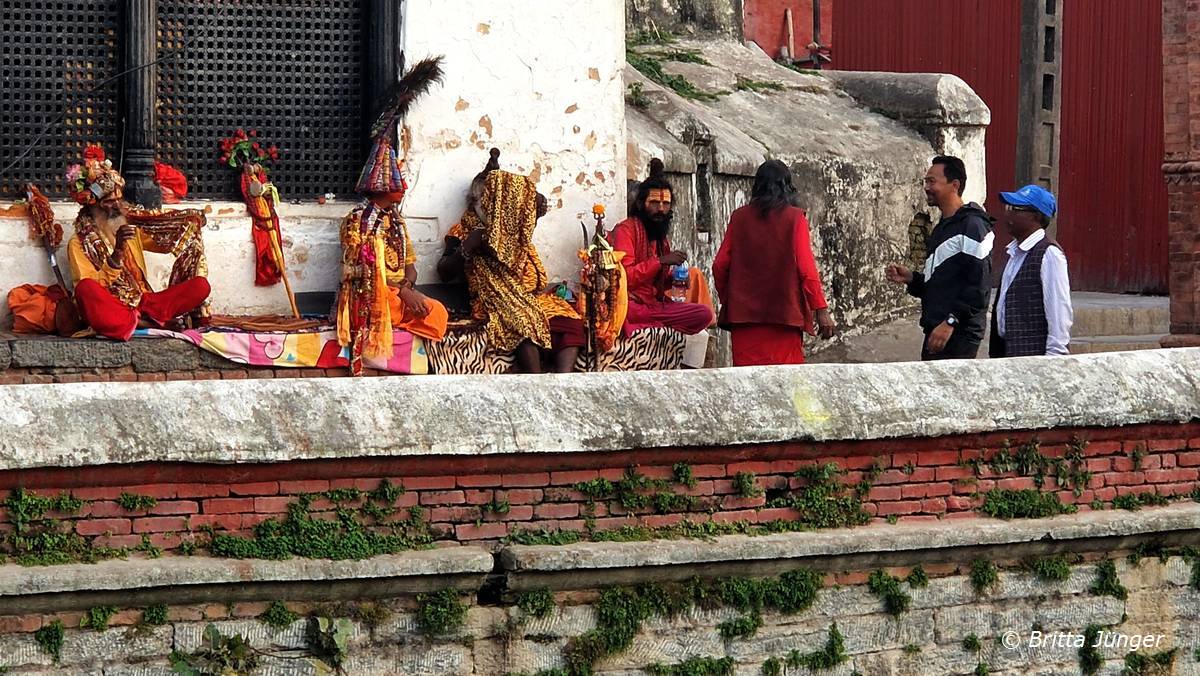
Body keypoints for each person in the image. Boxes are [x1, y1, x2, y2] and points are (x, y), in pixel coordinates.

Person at [336, 57, 448, 376]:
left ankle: (398, 325)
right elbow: (362, 270)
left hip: (398, 294)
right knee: (383, 308)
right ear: (382, 186)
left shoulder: (396, 222)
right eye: (398, 183)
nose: (404, 187)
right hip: (370, 295)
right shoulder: (358, 221)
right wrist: (402, 294)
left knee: (437, 312)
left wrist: (409, 288)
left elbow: (410, 264)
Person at [439, 150, 585, 373]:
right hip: (495, 300)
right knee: (522, 320)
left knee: (569, 320)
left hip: (530, 297)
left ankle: (564, 383)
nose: (497, 207)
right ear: (477, 202)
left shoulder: (512, 228)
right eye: (492, 201)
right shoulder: (463, 231)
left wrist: (533, 207)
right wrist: (468, 246)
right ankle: (535, 382)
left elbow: (534, 204)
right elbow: (444, 272)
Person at [65, 144, 210, 341]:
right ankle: (144, 323)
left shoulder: (128, 225)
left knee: (200, 286)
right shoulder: (79, 242)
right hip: (115, 304)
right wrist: (117, 253)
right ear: (94, 206)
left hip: (146, 302)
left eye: (119, 199)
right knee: (85, 289)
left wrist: (185, 224)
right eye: (109, 202)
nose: (117, 206)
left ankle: (147, 318)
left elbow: (162, 243)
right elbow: (94, 285)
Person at [713, 160, 835, 365]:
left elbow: (720, 265)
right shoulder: (795, 219)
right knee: (785, 379)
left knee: (747, 379)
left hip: (744, 320)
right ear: (787, 187)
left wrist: (731, 298)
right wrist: (821, 310)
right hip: (784, 316)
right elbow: (806, 269)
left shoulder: (739, 217)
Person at [885, 155, 993, 360]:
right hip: (936, 329)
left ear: (955, 185)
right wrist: (912, 278)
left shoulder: (972, 226)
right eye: (926, 181)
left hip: (957, 335)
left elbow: (979, 287)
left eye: (932, 181)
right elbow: (941, 284)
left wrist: (950, 322)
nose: (926, 187)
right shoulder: (942, 227)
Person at [608, 159, 715, 338]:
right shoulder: (625, 230)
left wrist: (674, 280)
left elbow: (655, 283)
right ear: (641, 204)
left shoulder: (659, 237)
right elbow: (625, 277)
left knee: (703, 314)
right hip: (629, 305)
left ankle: (657, 321)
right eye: (654, 203)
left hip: (654, 304)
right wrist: (661, 261)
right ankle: (653, 322)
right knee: (633, 312)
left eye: (666, 204)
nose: (660, 209)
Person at [989, 185, 1072, 357]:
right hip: (1006, 354)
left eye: (1015, 209)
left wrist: (1055, 358)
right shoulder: (1014, 253)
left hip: (1032, 355)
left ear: (1036, 216)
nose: (1008, 215)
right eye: (1008, 208)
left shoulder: (1049, 254)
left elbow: (1058, 311)